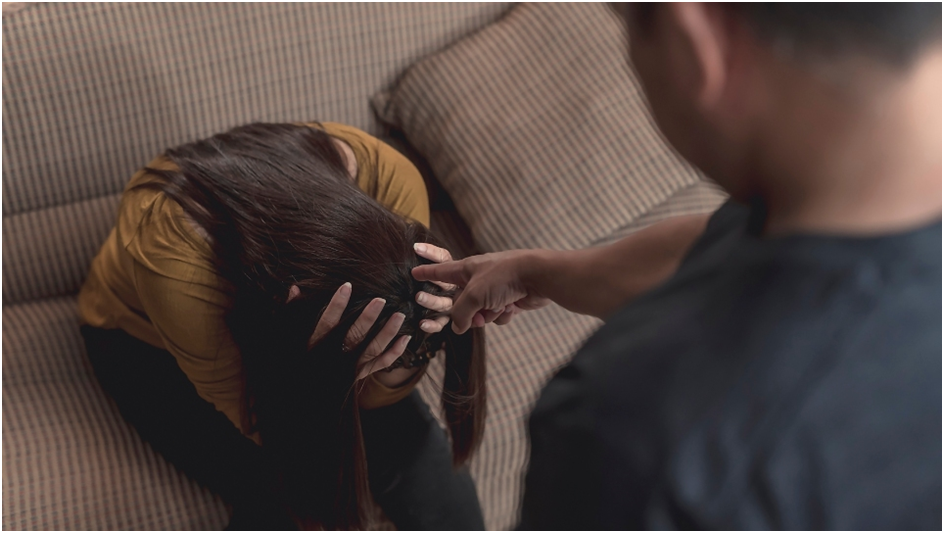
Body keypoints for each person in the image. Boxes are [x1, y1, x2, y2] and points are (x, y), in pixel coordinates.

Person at [412, 2, 942, 529]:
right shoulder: (828, 196)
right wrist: (538, 271)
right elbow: (718, 242)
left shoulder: (635, 445)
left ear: (695, 41)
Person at [78, 122, 485, 530]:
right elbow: (269, 433)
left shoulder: (395, 184)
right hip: (141, 341)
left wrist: (402, 356)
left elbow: (380, 400)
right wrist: (318, 378)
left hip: (299, 331)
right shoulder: (175, 255)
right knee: (284, 495)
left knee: (414, 454)